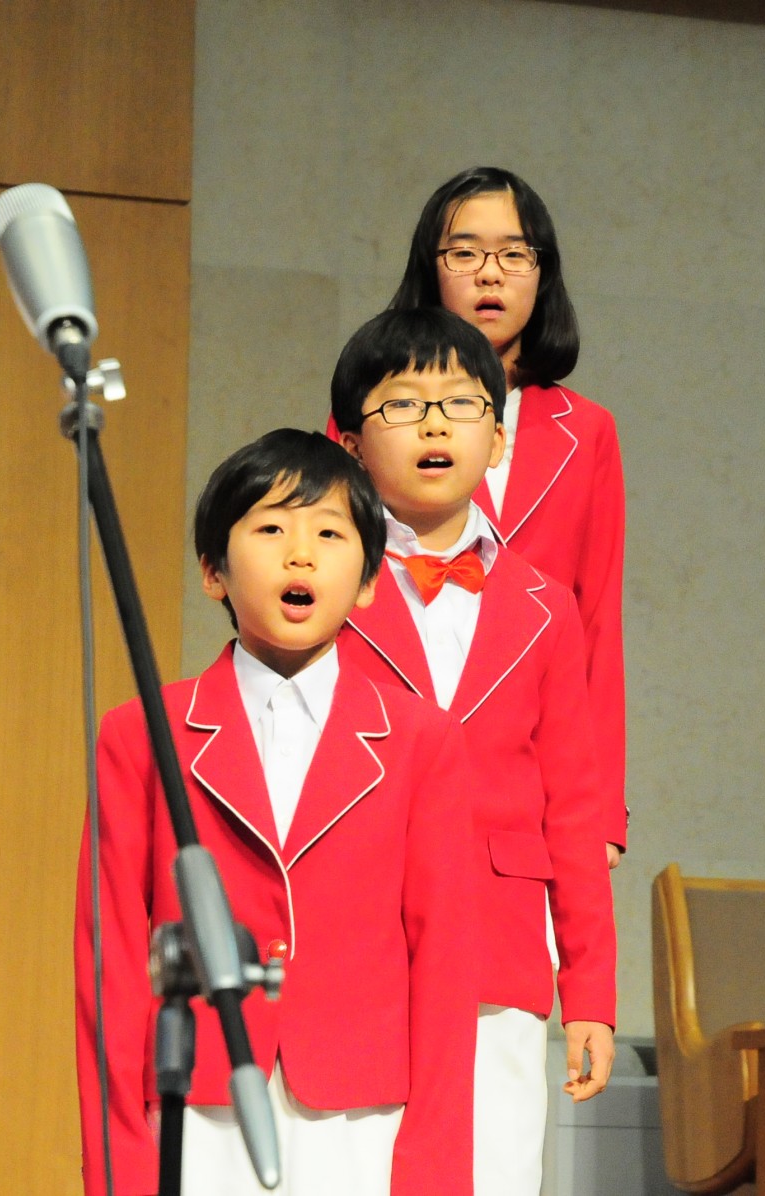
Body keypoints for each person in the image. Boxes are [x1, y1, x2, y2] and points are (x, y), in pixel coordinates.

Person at [76, 429, 478, 1196]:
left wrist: (433, 1172)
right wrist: (117, 1167)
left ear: (366, 581)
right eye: (269, 528)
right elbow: (111, 960)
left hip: (363, 1117)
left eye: (330, 534)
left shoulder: (423, 741)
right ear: (212, 571)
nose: (301, 555)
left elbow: (446, 964)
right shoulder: (141, 735)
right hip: (197, 1105)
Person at [331, 307, 615, 1195]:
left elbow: (574, 804)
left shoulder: (544, 604)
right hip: (361, 940)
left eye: (459, 405)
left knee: (493, 1170)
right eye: (404, 405)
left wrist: (593, 992)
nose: (433, 424)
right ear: (348, 443)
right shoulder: (321, 585)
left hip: (500, 942)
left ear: (498, 441)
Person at [375, 167, 628, 864]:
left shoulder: (589, 431)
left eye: (514, 254)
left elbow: (598, 621)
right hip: (395, 750)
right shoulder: (370, 409)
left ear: (542, 275)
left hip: (534, 765)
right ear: (431, 271)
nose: (491, 274)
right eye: (464, 252)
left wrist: (604, 809)